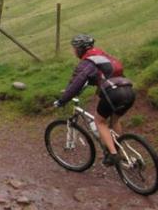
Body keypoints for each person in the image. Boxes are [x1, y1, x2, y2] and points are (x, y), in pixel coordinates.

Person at [55, 34, 136, 166]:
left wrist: (62, 100)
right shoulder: (103, 56)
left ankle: (113, 155)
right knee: (114, 120)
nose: (73, 51)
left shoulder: (88, 62)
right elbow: (107, 75)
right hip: (128, 89)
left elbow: (77, 81)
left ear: (80, 49)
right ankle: (119, 148)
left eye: (74, 48)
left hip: (113, 93)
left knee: (100, 121)